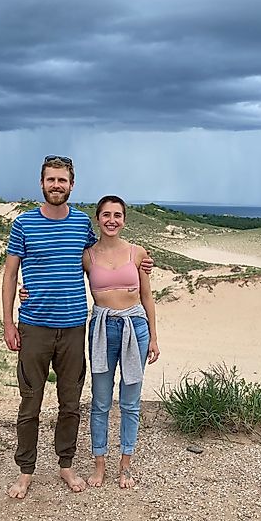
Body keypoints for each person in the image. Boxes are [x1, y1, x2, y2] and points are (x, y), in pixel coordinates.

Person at [2, 156, 152, 499]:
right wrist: (9, 322)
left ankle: (65, 465)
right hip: (34, 327)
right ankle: (25, 472)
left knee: (70, 403)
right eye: (51, 180)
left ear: (72, 185)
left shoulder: (82, 225)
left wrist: (141, 263)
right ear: (42, 183)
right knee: (30, 403)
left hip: (74, 329)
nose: (57, 185)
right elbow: (10, 274)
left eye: (63, 180)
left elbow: (103, 260)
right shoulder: (23, 225)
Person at [84, 195, 160, 489]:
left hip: (135, 327)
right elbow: (63, 278)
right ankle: (99, 463)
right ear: (98, 218)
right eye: (106, 215)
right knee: (100, 401)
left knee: (130, 402)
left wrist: (153, 336)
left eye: (117, 215)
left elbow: (147, 296)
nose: (112, 220)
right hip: (102, 329)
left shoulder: (138, 253)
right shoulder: (87, 255)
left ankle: (125, 464)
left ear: (124, 220)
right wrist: (28, 294)